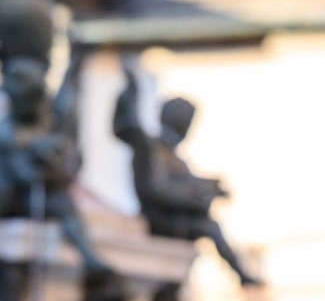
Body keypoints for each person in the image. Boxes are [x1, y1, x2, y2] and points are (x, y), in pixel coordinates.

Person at [0, 44, 108, 277]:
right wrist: (41, 164)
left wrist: (76, 61)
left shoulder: (49, 120)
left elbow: (69, 96)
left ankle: (88, 256)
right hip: (0, 188)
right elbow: (22, 173)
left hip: (33, 191)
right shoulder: (6, 130)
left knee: (65, 207)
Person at [112, 61, 261, 287]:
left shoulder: (173, 156)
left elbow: (185, 183)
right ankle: (241, 274)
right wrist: (131, 83)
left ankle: (241, 273)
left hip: (171, 218)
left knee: (208, 224)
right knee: (209, 227)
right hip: (158, 218)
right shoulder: (151, 149)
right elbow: (158, 189)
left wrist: (211, 188)